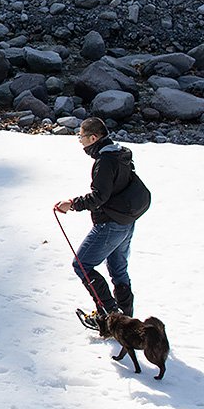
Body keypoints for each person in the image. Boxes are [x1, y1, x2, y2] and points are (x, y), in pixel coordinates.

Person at [54, 117, 147, 327]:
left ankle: (110, 317)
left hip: (111, 224)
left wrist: (72, 204)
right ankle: (126, 317)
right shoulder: (120, 153)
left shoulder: (105, 161)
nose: (80, 142)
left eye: (81, 137)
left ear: (93, 138)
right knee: (118, 269)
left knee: (82, 265)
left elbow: (99, 197)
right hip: (126, 222)